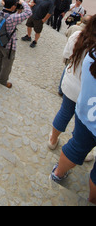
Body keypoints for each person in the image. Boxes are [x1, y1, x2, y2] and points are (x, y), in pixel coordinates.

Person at [50, 47, 96, 205]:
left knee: (76, 144)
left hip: (86, 106)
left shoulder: (89, 49)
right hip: (86, 103)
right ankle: (91, 200)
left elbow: (66, 55)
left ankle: (57, 171)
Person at [48, 15, 96, 157]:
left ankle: (52, 139)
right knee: (82, 122)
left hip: (71, 83)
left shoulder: (77, 35)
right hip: (89, 92)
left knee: (65, 112)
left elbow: (67, 55)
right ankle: (81, 148)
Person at [0, 0, 32, 88]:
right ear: (13, 7)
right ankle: (2, 82)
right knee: (7, 65)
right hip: (9, 45)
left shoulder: (1, 13)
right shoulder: (12, 18)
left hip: (0, 43)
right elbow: (29, 13)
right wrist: (23, 3)